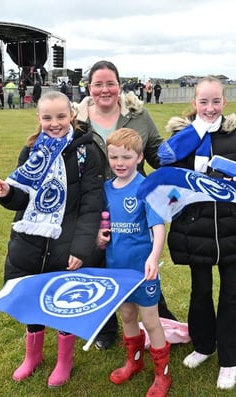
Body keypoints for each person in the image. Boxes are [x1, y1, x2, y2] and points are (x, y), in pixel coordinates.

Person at [158, 76, 236, 390]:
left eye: (216, 102)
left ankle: (229, 360)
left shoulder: (235, 136)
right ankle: (204, 345)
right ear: (195, 103)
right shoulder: (181, 136)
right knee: (199, 292)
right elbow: (166, 170)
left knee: (231, 295)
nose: (210, 108)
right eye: (204, 102)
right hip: (194, 229)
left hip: (231, 228)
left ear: (224, 103)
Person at [0, 91, 105, 388]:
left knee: (62, 300)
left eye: (61, 117)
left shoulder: (87, 152)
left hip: (66, 242)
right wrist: (6, 193)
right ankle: (33, 356)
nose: (54, 123)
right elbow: (21, 198)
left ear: (72, 116)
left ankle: (65, 360)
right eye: (47, 117)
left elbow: (92, 204)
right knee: (32, 298)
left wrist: (81, 248)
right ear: (38, 118)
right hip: (30, 241)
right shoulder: (31, 151)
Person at [72, 59, 178, 350]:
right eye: (98, 84)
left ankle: (157, 318)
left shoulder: (138, 116)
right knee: (100, 261)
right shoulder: (77, 121)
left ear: (119, 85)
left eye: (110, 83)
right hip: (94, 200)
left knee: (139, 257)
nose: (104, 89)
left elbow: (157, 151)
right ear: (89, 87)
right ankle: (106, 329)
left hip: (133, 200)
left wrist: (180, 153)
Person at [96, 127, 171, 397]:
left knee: (150, 320)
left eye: (126, 157)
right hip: (117, 270)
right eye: (114, 157)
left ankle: (162, 374)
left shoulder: (145, 188)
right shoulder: (106, 189)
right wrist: (100, 238)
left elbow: (159, 227)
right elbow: (105, 224)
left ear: (139, 157)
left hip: (143, 271)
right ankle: (134, 361)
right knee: (127, 316)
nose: (119, 163)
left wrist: (153, 257)